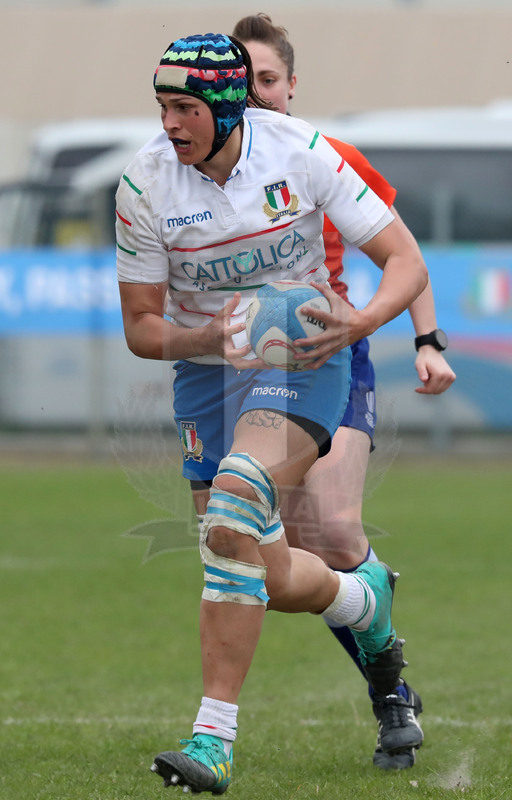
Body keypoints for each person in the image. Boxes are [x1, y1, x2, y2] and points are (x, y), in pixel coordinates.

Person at [116, 32, 429, 794]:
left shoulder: (301, 152)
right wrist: (208, 338)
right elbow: (141, 329)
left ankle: (213, 740)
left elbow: (405, 261)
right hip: (206, 370)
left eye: (185, 107)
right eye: (162, 106)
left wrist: (362, 325)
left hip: (302, 358)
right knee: (249, 560)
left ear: (227, 110)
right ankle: (365, 600)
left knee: (237, 503)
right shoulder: (143, 184)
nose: (170, 123)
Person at [230, 13, 456, 771]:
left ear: (292, 85)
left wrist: (428, 342)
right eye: (245, 80)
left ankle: (390, 697)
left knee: (330, 525)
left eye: (269, 79)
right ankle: (382, 634)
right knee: (291, 555)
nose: (257, 93)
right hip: (248, 373)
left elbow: (403, 250)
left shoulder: (328, 156)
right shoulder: (205, 172)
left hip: (332, 356)